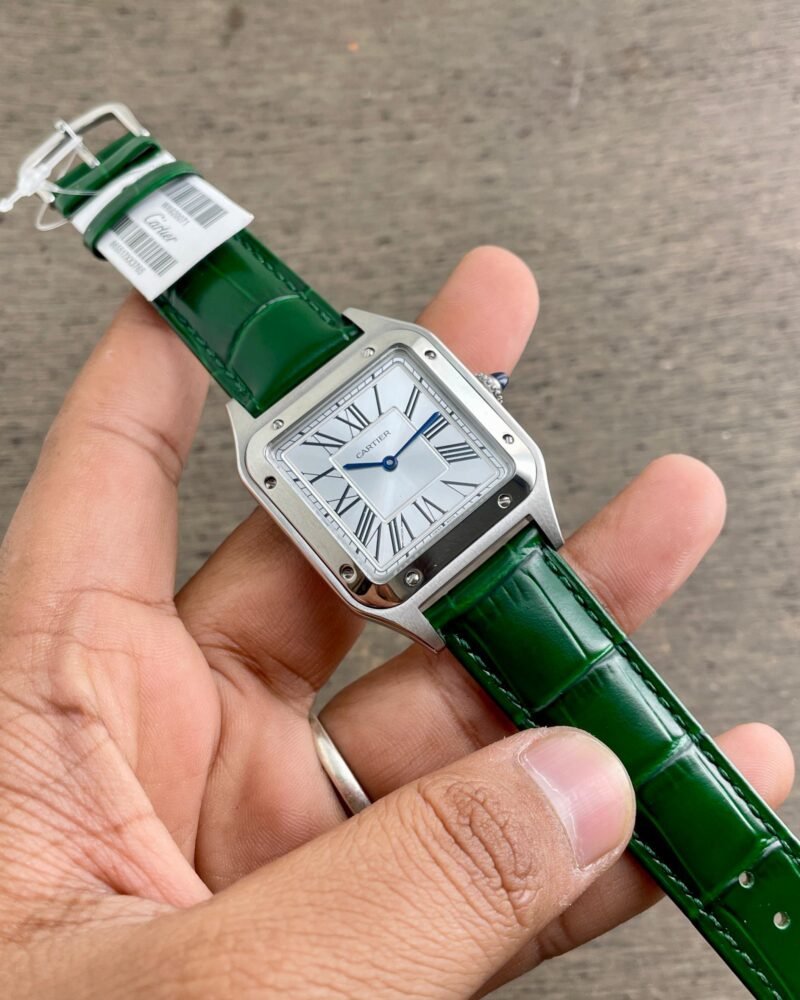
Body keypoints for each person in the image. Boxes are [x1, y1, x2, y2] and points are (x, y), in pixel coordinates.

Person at [0, 246, 792, 998]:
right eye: (379, 465)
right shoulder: (292, 447)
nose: (388, 465)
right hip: (430, 577)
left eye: (396, 454)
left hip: (491, 533)